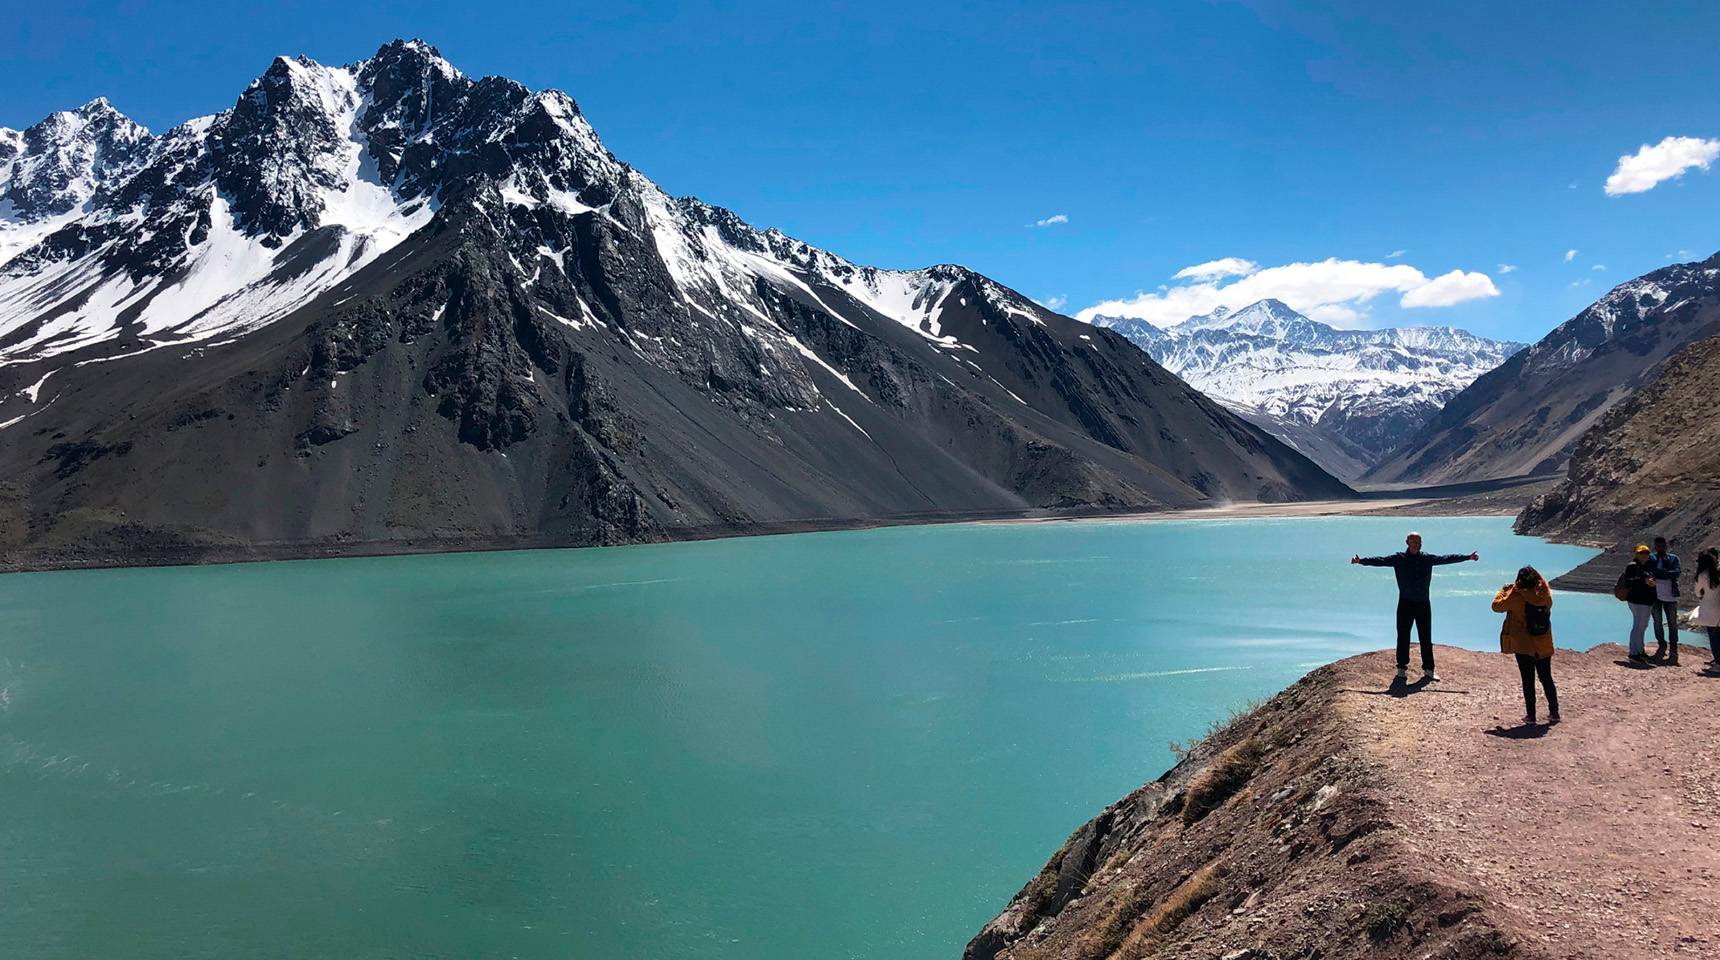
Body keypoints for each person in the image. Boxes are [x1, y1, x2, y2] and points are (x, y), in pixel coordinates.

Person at [1351, 531, 1480, 682]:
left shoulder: (1427, 558)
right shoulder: (1399, 558)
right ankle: (1401, 669)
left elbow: (1447, 558)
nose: (1416, 545)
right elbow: (1380, 561)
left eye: (1418, 542)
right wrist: (1361, 561)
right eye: (1413, 542)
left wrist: (1467, 557)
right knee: (1403, 636)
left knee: (1425, 637)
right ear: (1407, 542)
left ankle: (1429, 670)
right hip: (1405, 603)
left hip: (1423, 604)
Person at [1493, 565, 1559, 725]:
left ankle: (1531, 715)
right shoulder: (1545, 595)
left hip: (1524, 645)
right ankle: (1554, 712)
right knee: (1546, 678)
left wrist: (1504, 591)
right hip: (1543, 643)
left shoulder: (1516, 596)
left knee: (1528, 680)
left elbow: (1496, 606)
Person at [1618, 545, 1658, 663]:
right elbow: (1630, 581)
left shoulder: (1647, 566)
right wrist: (1644, 581)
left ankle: (1639, 651)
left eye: (1646, 553)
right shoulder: (1633, 566)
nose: (1644, 555)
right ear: (1636, 554)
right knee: (1638, 626)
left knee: (1642, 626)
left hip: (1645, 600)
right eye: (1642, 553)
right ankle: (1634, 653)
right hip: (1637, 600)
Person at [1648, 536, 1682, 664]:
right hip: (1655, 596)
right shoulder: (1652, 558)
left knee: (1672, 623)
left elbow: (1676, 572)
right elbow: (1651, 571)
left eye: (1663, 546)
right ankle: (1662, 645)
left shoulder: (1674, 558)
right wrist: (1666, 573)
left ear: (1666, 546)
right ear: (1655, 547)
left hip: (1670, 596)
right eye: (1658, 546)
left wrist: (1659, 573)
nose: (1661, 548)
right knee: (1657, 621)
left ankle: (1674, 648)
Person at [1694, 547, 1720, 673]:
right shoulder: (1718, 573)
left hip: (1710, 609)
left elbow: (1698, 592)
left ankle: (1718, 664)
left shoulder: (1703, 576)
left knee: (1714, 637)